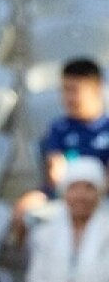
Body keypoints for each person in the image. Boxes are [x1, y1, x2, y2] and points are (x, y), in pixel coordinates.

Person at [16, 58, 109, 235]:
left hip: (99, 198)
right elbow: (55, 174)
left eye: (74, 90)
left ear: (96, 89)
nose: (68, 98)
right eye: (64, 90)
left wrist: (87, 193)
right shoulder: (58, 128)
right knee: (24, 208)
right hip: (62, 195)